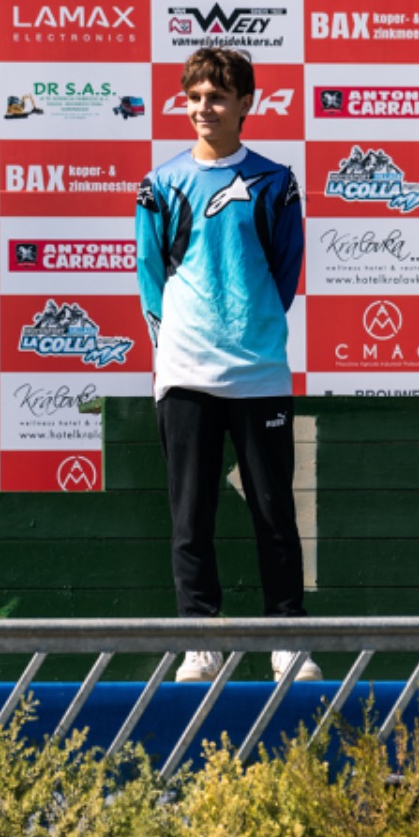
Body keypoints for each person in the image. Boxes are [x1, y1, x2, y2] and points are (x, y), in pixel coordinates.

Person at [135, 47, 317, 683]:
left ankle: (287, 640)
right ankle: (200, 641)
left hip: (259, 373)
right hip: (185, 374)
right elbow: (150, 277)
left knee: (275, 515)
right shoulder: (160, 184)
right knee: (192, 519)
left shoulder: (276, 181)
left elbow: (284, 273)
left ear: (246, 104)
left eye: (216, 97)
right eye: (194, 97)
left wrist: (250, 328)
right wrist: (176, 348)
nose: (203, 108)